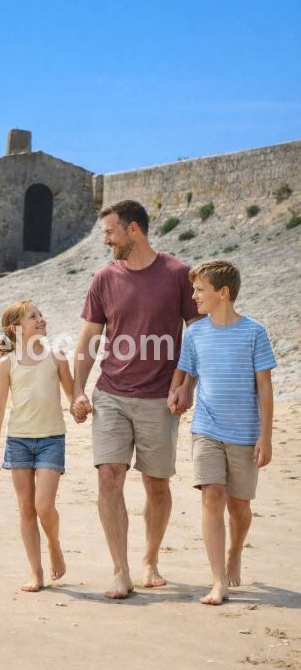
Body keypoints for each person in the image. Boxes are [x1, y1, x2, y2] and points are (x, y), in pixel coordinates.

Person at [72, 200, 200, 599]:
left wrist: (187, 385)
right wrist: (77, 388)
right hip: (110, 393)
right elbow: (90, 338)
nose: (106, 240)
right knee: (109, 475)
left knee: (156, 483)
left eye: (110, 232)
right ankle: (120, 570)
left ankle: (150, 559)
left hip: (160, 399)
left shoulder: (179, 274)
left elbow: (197, 335)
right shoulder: (103, 278)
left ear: (133, 230)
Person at [168, 260, 276, 605]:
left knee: (240, 507)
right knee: (212, 494)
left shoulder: (254, 332)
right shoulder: (196, 332)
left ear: (223, 293)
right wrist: (181, 391)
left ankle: (234, 552)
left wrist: (266, 437)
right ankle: (218, 581)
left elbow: (265, 388)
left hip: (245, 433)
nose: (194, 296)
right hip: (207, 428)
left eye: (200, 290)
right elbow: (187, 372)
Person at [0, 299, 73, 592]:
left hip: (51, 438)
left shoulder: (57, 357)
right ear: (16, 328)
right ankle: (36, 573)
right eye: (33, 316)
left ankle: (54, 543)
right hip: (19, 441)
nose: (41, 319)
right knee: (26, 508)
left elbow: (74, 396)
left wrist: (82, 404)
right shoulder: (6, 363)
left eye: (41, 314)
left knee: (44, 505)